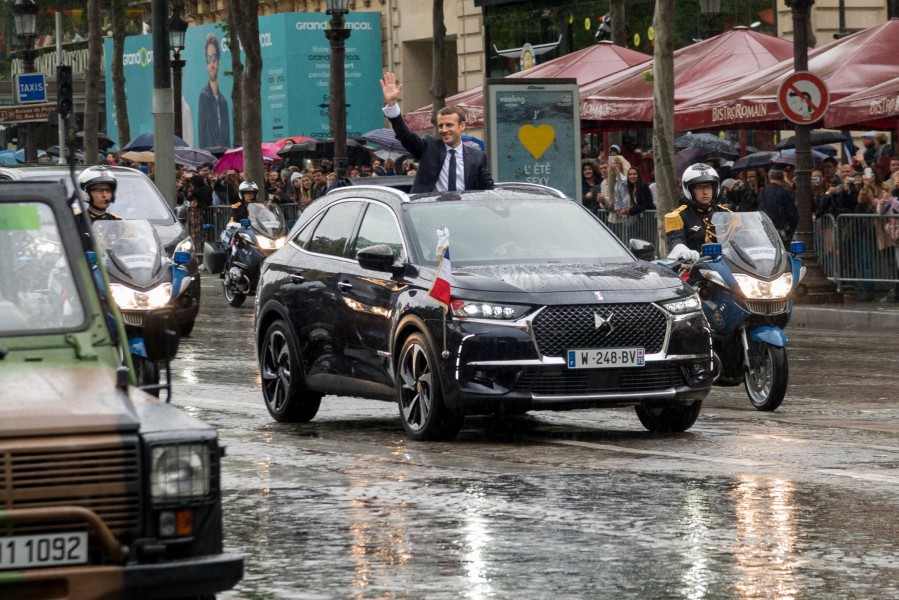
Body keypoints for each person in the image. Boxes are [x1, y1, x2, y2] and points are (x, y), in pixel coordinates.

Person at [380, 71, 494, 193]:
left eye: (449, 125)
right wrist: (392, 104)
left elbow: (489, 187)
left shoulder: (477, 156)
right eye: (441, 126)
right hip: (430, 209)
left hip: (463, 210)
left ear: (462, 126)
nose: (444, 130)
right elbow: (405, 136)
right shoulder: (429, 147)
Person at [665, 163, 728, 261]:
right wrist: (684, 251)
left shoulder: (725, 213)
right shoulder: (678, 216)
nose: (705, 192)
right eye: (699, 187)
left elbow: (741, 239)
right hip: (694, 268)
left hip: (726, 266)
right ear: (690, 190)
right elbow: (675, 241)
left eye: (708, 187)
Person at [198, 33, 231, 149]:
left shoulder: (224, 101)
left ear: (218, 62)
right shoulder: (204, 96)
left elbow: (227, 136)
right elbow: (202, 132)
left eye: (214, 58)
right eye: (208, 59)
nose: (211, 63)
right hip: (209, 155)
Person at [757, 169, 799, 245]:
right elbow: (792, 214)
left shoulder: (763, 192)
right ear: (783, 179)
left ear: (769, 178)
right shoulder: (784, 192)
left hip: (765, 229)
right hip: (781, 230)